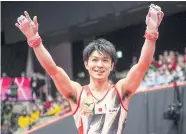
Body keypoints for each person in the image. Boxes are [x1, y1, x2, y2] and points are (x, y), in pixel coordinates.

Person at [15, 4, 164, 134]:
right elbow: (53, 70)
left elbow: (142, 66)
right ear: (86, 64)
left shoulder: (121, 91)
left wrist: (151, 32)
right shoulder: (77, 94)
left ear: (112, 66)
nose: (99, 65)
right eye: (94, 60)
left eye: (105, 60)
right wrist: (34, 40)